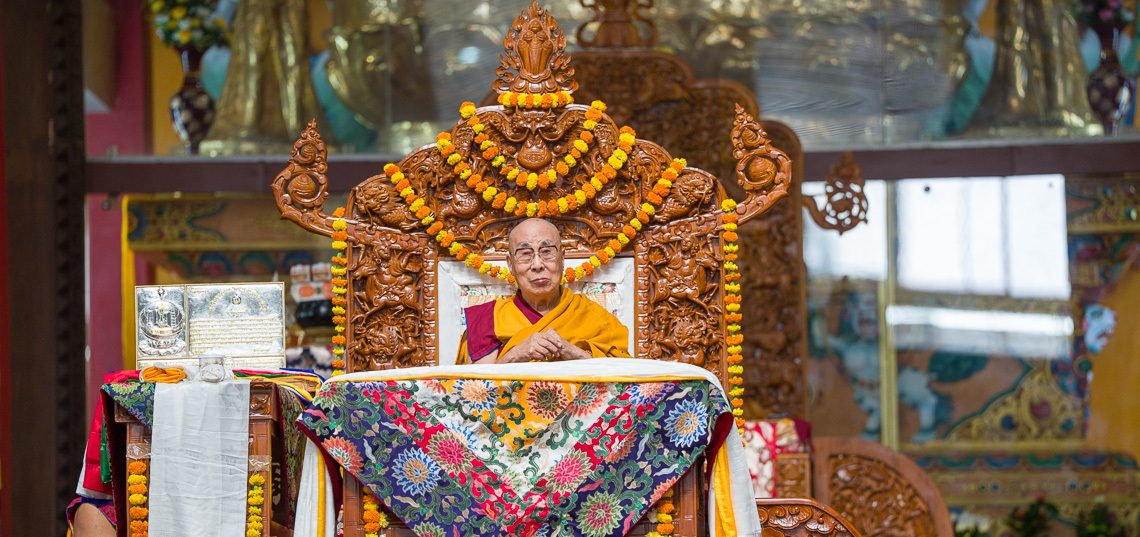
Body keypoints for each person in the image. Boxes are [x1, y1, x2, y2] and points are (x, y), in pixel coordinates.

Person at [459, 218, 630, 363]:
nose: (538, 265)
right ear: (510, 264)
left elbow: (623, 385)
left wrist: (572, 352)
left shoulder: (595, 317)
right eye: (525, 253)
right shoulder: (487, 320)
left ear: (562, 259)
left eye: (547, 252)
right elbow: (474, 391)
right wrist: (516, 354)